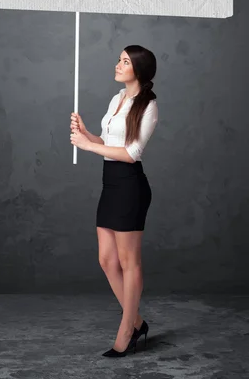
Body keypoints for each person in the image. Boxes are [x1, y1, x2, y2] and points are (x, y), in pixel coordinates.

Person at [70, 45, 158, 357]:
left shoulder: (148, 106)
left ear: (138, 70)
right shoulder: (116, 99)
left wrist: (88, 147)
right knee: (106, 260)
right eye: (119, 59)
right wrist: (86, 134)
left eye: (124, 61)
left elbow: (132, 154)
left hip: (131, 188)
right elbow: (109, 143)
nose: (117, 65)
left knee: (128, 262)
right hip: (110, 185)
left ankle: (126, 330)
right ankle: (136, 321)